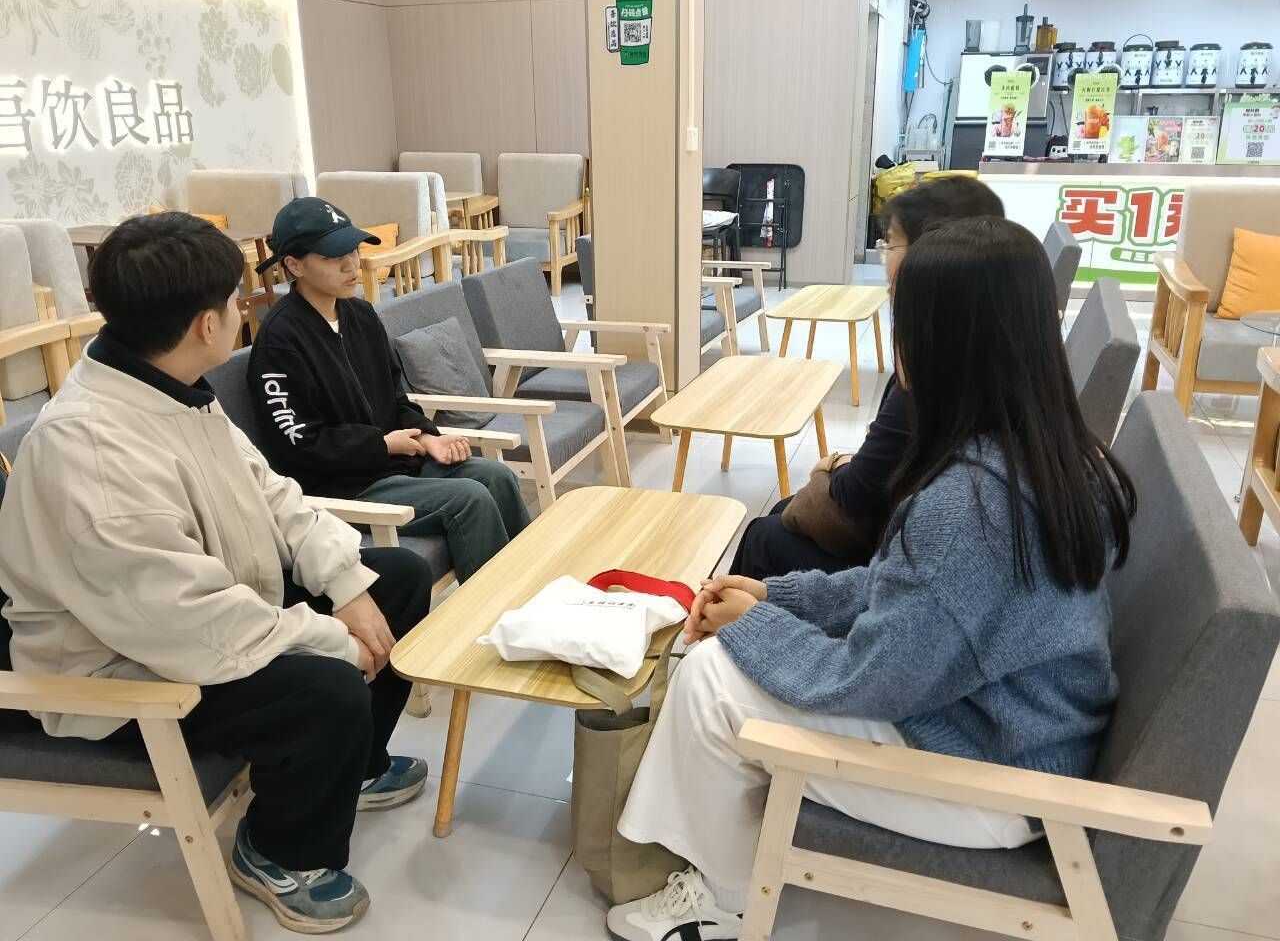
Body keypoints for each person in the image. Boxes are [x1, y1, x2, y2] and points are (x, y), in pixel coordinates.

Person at [605, 217, 1137, 941]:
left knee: (708, 678)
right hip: (1028, 729)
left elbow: (870, 679)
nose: (898, 341)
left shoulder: (969, 505)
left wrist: (756, 627)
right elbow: (906, 591)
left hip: (995, 774)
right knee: (731, 653)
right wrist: (779, 595)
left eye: (905, 318)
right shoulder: (1049, 451)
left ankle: (722, 899)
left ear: (949, 340)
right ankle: (725, 858)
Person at [0, 213, 433, 934]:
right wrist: (334, 642)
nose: (243, 311)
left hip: (205, 605)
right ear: (208, 324)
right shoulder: (87, 451)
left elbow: (275, 495)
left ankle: (352, 764)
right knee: (326, 687)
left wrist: (348, 589)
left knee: (395, 580)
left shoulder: (170, 385)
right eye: (236, 300)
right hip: (125, 668)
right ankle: (278, 850)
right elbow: (185, 621)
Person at [729, 176, 1005, 580]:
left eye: (891, 244)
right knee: (780, 516)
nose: (885, 260)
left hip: (899, 551)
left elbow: (857, 493)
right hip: (915, 538)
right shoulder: (993, 351)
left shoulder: (930, 376)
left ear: (933, 255)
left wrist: (830, 464)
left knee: (765, 536)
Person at [247, 197, 530, 583]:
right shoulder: (280, 341)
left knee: (498, 477)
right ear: (294, 265)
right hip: (344, 487)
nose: (351, 264)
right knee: (470, 500)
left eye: (352, 250)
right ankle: (493, 607)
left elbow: (395, 397)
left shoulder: (360, 315)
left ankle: (532, 589)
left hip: (396, 465)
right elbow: (297, 444)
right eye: (333, 256)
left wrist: (428, 438)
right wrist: (382, 445)